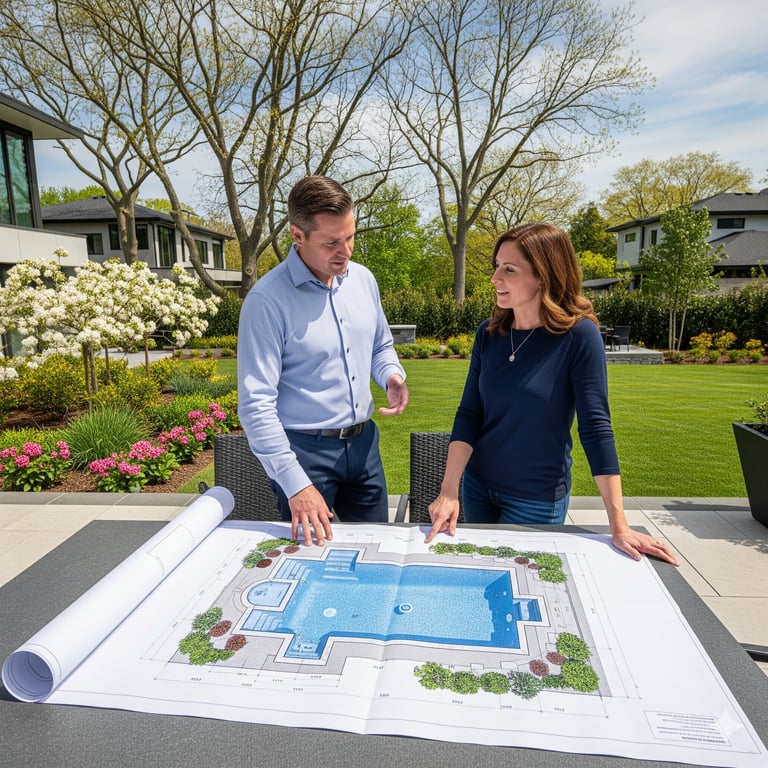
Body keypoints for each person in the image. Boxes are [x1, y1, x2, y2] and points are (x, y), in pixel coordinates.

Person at [425, 223, 678, 566]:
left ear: (543, 276)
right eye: (496, 266)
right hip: (477, 488)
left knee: (523, 587)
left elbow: (595, 427)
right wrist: (448, 490)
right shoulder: (489, 333)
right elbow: (470, 412)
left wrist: (619, 524)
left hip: (535, 499)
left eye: (509, 269)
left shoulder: (579, 336)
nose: (495, 278)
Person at [238, 175, 409, 546]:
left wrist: (391, 376)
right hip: (304, 453)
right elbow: (255, 406)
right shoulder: (267, 301)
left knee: (376, 549)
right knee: (309, 561)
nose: (345, 251)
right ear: (297, 236)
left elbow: (381, 346)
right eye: (331, 242)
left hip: (365, 449)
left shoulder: (363, 280)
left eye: (350, 237)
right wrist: (297, 484)